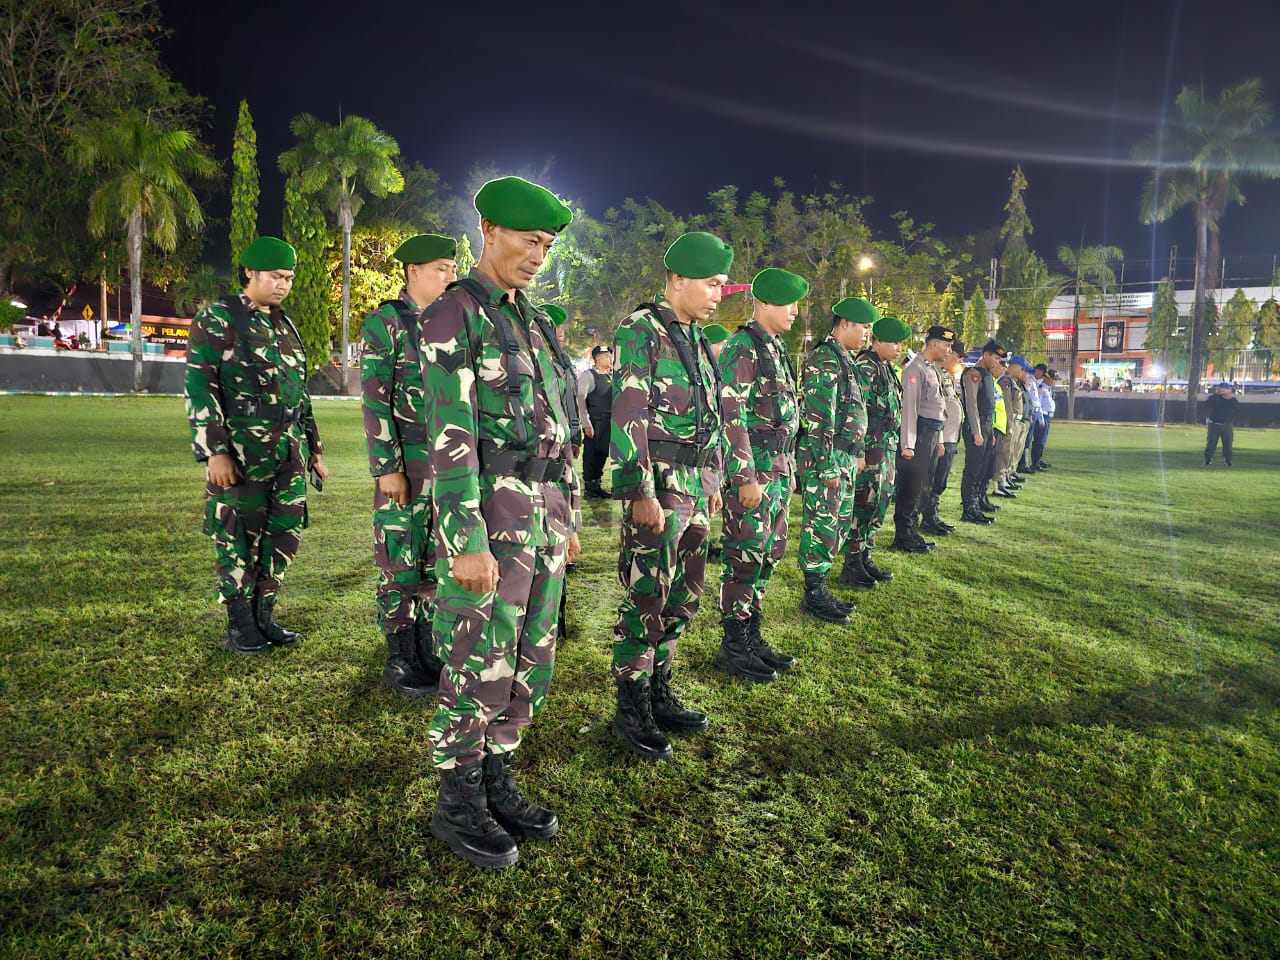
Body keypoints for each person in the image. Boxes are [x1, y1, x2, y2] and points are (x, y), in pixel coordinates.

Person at [417, 176, 580, 869]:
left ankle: (495, 776)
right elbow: (449, 435)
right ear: (487, 230)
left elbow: (562, 428)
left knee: (529, 662)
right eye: (527, 240)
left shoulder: (534, 321)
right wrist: (466, 540)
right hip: (491, 521)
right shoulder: (455, 313)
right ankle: (457, 801)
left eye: (546, 246)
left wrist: (569, 516)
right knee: (477, 661)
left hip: (544, 520)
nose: (537, 256)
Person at [610, 231, 730, 760]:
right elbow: (629, 410)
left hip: (695, 485)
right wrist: (639, 489)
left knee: (684, 594)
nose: (718, 295)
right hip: (660, 484)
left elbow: (712, 415)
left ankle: (659, 689)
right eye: (711, 283)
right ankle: (631, 705)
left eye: (722, 285)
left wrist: (714, 480)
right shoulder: (642, 329)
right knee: (647, 596)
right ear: (678, 279)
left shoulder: (697, 339)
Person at [184, 236, 327, 654]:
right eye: (276, 276)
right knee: (237, 535)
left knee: (283, 534)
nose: (283, 285)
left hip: (288, 452)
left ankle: (264, 615)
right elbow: (200, 386)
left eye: (289, 278)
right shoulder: (219, 318)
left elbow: (299, 392)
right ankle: (240, 625)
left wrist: (314, 449)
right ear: (250, 272)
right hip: (243, 450)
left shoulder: (284, 325)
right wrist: (215, 451)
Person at [360, 233, 457, 698]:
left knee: (437, 561)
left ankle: (426, 648)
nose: (450, 276)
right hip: (408, 463)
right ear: (412, 271)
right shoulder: (387, 323)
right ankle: (399, 658)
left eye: (452, 268)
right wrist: (387, 467)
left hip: (450, 465)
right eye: (441, 268)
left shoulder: (451, 324)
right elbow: (375, 401)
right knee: (400, 559)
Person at [715, 268, 805, 682]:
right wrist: (744, 477)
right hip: (755, 472)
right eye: (788, 303)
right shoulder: (743, 347)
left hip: (778, 470)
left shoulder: (775, 348)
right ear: (763, 303)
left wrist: (789, 468)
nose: (795, 311)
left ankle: (752, 637)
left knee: (768, 555)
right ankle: (734, 647)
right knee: (745, 558)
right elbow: (730, 415)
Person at [797, 297, 873, 618]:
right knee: (821, 526)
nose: (867, 334)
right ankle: (813, 594)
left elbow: (852, 410)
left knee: (837, 526)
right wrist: (827, 465)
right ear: (844, 324)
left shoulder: (845, 360)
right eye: (864, 327)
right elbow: (819, 417)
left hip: (843, 456)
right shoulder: (825, 359)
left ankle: (821, 586)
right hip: (826, 457)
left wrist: (857, 452)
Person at [841, 315, 910, 587]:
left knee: (879, 503)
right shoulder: (866, 367)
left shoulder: (886, 368)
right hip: (871, 448)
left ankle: (865, 556)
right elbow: (857, 410)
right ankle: (852, 563)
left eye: (901, 344)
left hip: (885, 447)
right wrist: (859, 451)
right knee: (864, 504)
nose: (899, 348)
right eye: (894, 343)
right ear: (877, 341)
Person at [891, 325, 954, 553]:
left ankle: (912, 531)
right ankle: (903, 535)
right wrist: (908, 445)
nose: (949, 351)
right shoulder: (915, 368)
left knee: (923, 486)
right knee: (912, 486)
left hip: (932, 433)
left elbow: (938, 407)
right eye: (947, 345)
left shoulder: (931, 368)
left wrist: (939, 440)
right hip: (920, 433)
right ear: (934, 343)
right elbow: (910, 408)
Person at [958, 339, 1006, 524]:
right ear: (985, 355)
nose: (997, 362)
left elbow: (989, 407)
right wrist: (977, 432)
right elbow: (971, 405)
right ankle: (969, 508)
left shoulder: (987, 375)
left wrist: (990, 432)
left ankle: (978, 501)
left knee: (983, 468)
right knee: (973, 469)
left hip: (986, 426)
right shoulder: (973, 374)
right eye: (995, 358)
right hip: (976, 426)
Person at [921, 338, 964, 536]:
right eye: (957, 355)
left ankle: (933, 516)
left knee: (941, 481)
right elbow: (935, 408)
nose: (958, 360)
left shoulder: (946, 375)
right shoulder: (933, 372)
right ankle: (928, 518)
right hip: (942, 436)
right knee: (933, 480)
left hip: (951, 436)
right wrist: (939, 439)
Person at [577, 343, 614, 499]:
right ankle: (589, 488)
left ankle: (597, 485)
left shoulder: (609, 377)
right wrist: (586, 423)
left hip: (607, 421)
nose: (610, 359)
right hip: (594, 421)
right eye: (606, 356)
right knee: (591, 454)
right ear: (597, 358)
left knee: (602, 453)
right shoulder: (588, 376)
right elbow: (580, 398)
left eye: (610, 356)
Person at [1204, 381, 1239, 466]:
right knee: (1211, 443)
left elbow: (1236, 407)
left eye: (1224, 389)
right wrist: (1220, 397)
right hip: (1214, 424)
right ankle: (1208, 459)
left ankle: (1227, 460)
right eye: (1220, 388)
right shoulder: (1213, 398)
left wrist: (1229, 399)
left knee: (1228, 444)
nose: (1221, 390)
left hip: (1227, 424)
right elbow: (1209, 404)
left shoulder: (1232, 399)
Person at [1031, 367, 1056, 469]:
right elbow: (1038, 404)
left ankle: (1039, 460)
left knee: (1043, 441)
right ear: (1047, 377)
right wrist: (1040, 418)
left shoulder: (1048, 389)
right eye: (1053, 379)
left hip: (1048, 416)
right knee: (1039, 440)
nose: (1054, 381)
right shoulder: (1041, 388)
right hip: (1043, 416)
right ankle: (1035, 462)